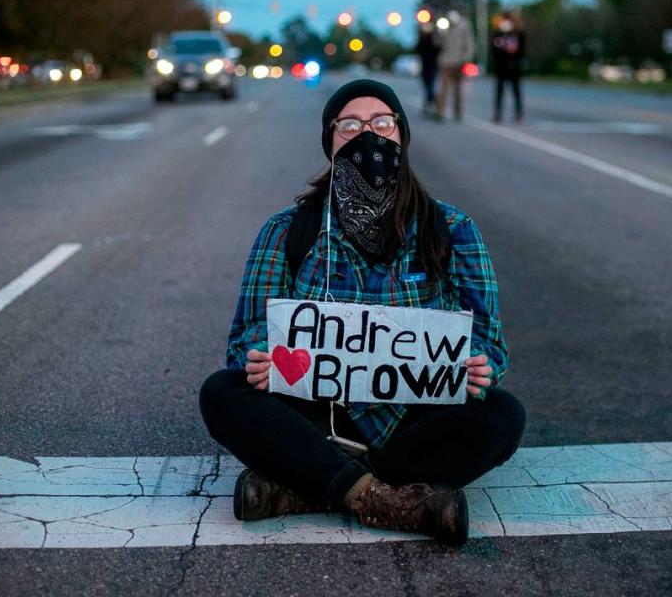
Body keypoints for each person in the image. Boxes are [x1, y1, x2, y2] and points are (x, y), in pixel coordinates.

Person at [199, 79, 525, 546]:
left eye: (381, 122)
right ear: (331, 141)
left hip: (413, 418)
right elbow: (248, 332)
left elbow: (488, 337)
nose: (367, 134)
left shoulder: (451, 229)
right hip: (316, 414)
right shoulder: (287, 230)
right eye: (349, 125)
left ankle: (310, 487)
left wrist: (478, 366)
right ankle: (387, 498)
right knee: (222, 393)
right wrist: (260, 358)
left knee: (502, 415)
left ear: (401, 135)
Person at [434, 10, 474, 122]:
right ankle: (439, 112)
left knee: (458, 89)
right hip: (445, 61)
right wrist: (440, 32)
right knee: (443, 89)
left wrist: (467, 58)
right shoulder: (444, 25)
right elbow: (437, 43)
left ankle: (458, 113)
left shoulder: (464, 25)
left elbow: (469, 42)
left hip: (459, 62)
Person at [491, 11, 526, 123]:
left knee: (516, 92)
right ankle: (498, 114)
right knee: (499, 92)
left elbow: (522, 51)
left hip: (514, 68)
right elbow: (494, 51)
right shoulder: (497, 34)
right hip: (501, 67)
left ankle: (518, 114)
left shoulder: (518, 34)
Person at [415, 16, 440, 117]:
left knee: (430, 86)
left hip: (433, 65)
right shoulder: (422, 38)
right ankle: (430, 105)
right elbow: (417, 48)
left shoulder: (435, 38)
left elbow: (438, 48)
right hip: (424, 65)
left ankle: (431, 105)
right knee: (426, 86)